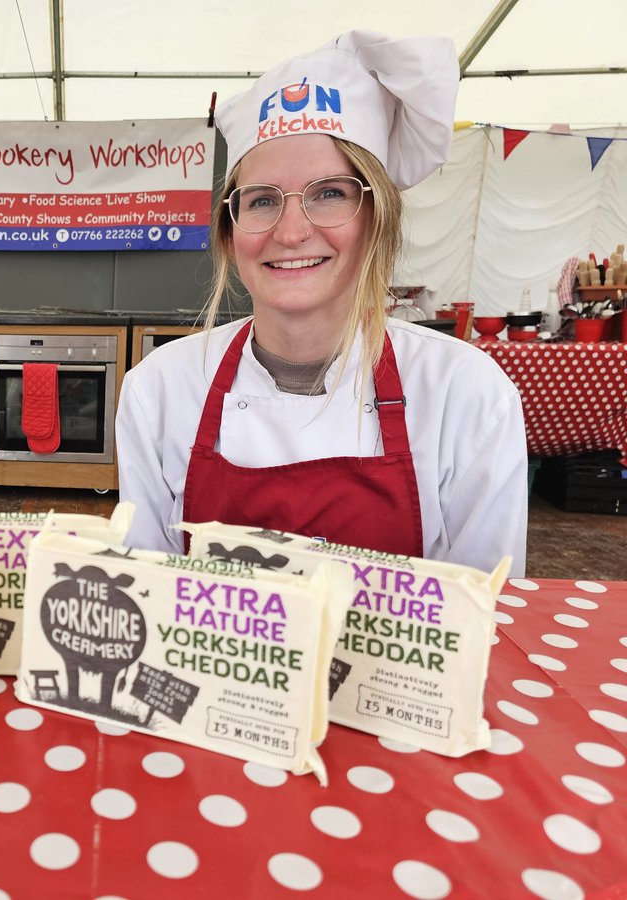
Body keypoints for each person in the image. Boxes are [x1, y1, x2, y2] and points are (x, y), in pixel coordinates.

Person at [116, 31, 528, 575]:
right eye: (262, 200)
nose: (291, 232)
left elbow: (483, 621)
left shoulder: (467, 396)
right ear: (229, 231)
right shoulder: (160, 391)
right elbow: (145, 596)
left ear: (377, 219)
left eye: (329, 193)